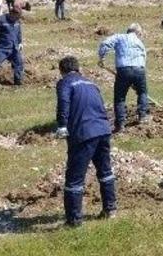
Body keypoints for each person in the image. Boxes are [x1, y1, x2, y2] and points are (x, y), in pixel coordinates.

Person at [54, 56, 117, 227]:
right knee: (105, 171)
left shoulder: (65, 83)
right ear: (78, 68)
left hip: (84, 133)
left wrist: (62, 125)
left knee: (74, 178)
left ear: (62, 71)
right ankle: (110, 209)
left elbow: (64, 102)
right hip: (103, 129)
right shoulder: (91, 83)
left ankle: (74, 220)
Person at [98, 23, 150, 132]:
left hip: (123, 70)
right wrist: (137, 80)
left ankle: (120, 124)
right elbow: (144, 57)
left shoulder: (119, 37)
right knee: (142, 93)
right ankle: (143, 116)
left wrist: (102, 58)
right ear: (137, 32)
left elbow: (105, 43)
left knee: (120, 98)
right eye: (140, 33)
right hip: (139, 70)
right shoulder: (140, 42)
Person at [0, 6, 24, 85]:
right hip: (1, 48)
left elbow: (18, 33)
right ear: (12, 13)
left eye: (19, 17)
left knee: (19, 63)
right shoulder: (1, 20)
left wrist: (20, 42)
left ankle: (18, 82)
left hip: (14, 48)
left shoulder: (17, 22)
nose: (17, 19)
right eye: (16, 17)